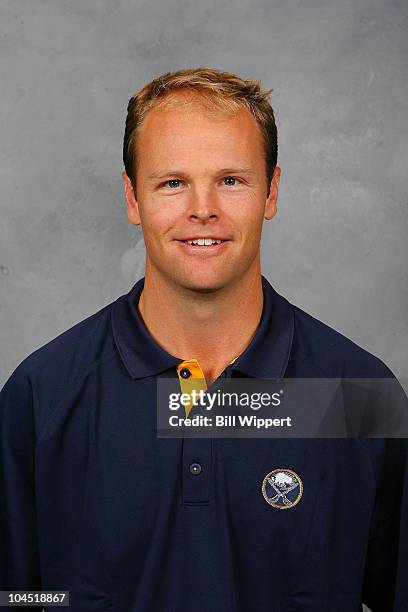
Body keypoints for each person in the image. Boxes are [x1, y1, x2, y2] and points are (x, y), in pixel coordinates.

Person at [0, 67, 407, 612]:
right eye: (173, 182)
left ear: (272, 191)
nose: (203, 208)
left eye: (231, 180)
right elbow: (20, 598)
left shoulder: (358, 397)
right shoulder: (40, 398)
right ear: (132, 198)